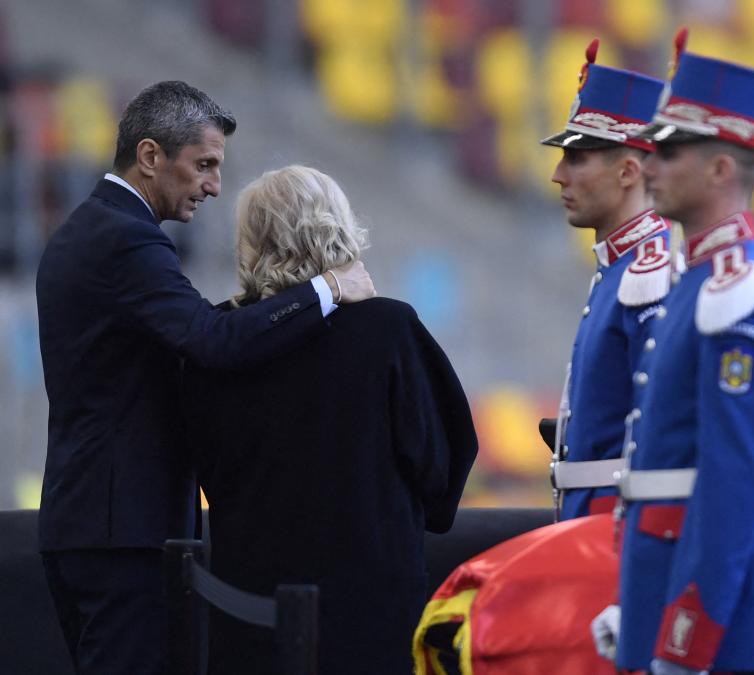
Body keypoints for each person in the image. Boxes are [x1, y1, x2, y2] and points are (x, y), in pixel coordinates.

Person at [35, 81, 375, 674]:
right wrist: (327, 288)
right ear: (149, 157)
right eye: (204, 166)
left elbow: (188, 333)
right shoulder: (126, 241)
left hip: (95, 522)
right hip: (123, 534)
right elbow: (210, 343)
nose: (215, 186)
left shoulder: (93, 230)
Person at [181, 165, 477, 674]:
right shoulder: (388, 329)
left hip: (246, 613)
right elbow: (441, 469)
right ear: (335, 228)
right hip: (369, 618)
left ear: (251, 242)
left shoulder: (216, 342)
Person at [593, 30, 754, 675]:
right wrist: (640, 603)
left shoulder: (738, 291)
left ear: (720, 168)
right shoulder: (700, 282)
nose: (648, 165)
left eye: (670, 150)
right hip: (662, 579)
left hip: (713, 610)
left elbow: (730, 482)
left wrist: (689, 630)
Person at [540, 38, 670, 520]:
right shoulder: (620, 267)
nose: (558, 175)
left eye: (576, 159)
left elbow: (656, 434)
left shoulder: (648, 274)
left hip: (614, 522)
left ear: (628, 171)